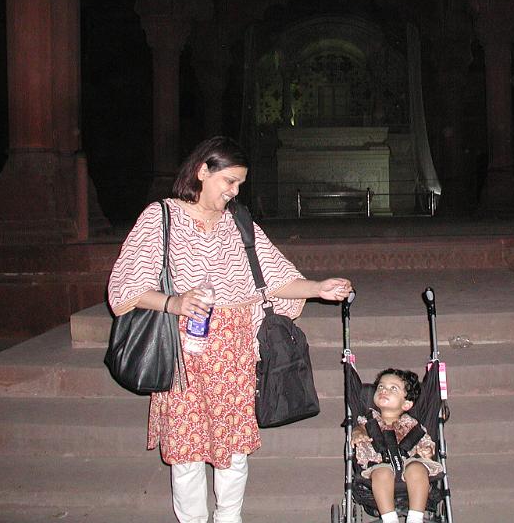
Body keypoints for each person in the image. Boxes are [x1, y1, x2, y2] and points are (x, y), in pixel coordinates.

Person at [108, 136, 353, 523]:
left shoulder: (239, 222)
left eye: (240, 184)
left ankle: (229, 518)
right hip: (185, 355)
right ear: (203, 171)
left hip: (236, 352)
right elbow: (125, 287)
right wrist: (174, 302)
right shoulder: (162, 217)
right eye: (230, 181)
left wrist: (318, 288)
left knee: (235, 450)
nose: (234, 191)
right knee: (187, 453)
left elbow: (271, 278)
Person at [351, 368, 443, 523]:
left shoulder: (411, 423)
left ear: (406, 404)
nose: (384, 390)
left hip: (409, 462)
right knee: (381, 474)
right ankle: (389, 519)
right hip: (379, 463)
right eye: (381, 386)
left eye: (393, 388)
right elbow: (360, 427)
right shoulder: (369, 421)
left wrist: (426, 450)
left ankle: (415, 518)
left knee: (418, 469)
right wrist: (358, 433)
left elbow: (424, 439)